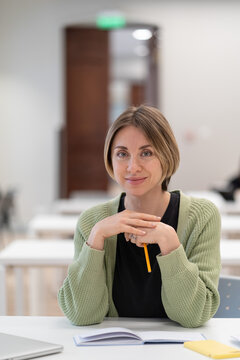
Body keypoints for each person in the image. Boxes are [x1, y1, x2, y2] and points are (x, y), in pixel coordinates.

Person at [58, 105, 221, 328]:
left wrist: (170, 243)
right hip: (114, 349)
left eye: (146, 153)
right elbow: (81, 315)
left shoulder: (202, 216)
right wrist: (96, 238)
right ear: (110, 160)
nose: (133, 167)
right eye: (122, 154)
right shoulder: (92, 221)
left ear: (167, 155)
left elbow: (193, 316)